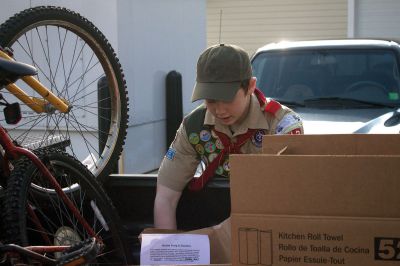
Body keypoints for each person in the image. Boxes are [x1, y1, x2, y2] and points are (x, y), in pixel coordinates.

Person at [154, 43, 303, 229]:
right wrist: (166, 251)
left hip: (268, 227)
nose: (219, 110)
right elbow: (166, 197)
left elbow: (292, 198)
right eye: (210, 100)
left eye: (227, 99)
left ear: (250, 86)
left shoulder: (281, 125)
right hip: (213, 223)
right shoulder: (194, 127)